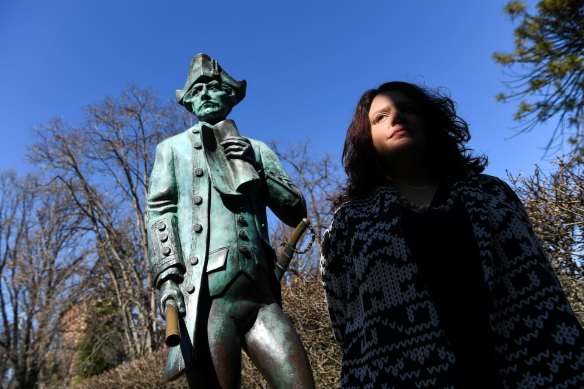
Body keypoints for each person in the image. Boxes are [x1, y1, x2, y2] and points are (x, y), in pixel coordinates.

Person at [320, 81, 584, 388]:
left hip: (526, 370)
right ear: (368, 138)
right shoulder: (349, 223)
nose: (396, 119)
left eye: (407, 110)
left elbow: (544, 283)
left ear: (429, 121)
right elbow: (343, 318)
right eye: (380, 117)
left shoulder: (492, 194)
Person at [147, 53, 314, 388]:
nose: (207, 93)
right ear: (190, 100)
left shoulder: (257, 148)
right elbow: (160, 211)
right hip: (208, 300)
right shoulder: (172, 150)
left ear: (229, 96)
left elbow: (296, 210)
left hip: (261, 296)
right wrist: (168, 279)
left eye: (215, 86)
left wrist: (258, 169)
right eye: (199, 88)